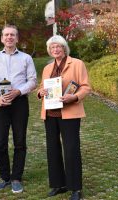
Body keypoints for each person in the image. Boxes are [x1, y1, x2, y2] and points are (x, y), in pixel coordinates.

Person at [37, 35, 91, 200]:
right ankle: (58, 184)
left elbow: (86, 87)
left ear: (64, 47)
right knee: (52, 149)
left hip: (70, 113)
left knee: (71, 150)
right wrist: (41, 92)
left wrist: (74, 98)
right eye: (52, 48)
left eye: (58, 47)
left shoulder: (77, 64)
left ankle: (75, 188)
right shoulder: (47, 68)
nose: (55, 50)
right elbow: (41, 88)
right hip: (50, 114)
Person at [0, 24, 37, 193]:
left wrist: (18, 91)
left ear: (17, 38)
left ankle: (16, 177)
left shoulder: (26, 58)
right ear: (2, 38)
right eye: (6, 35)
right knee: (0, 142)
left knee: (19, 141)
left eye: (12, 35)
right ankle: (4, 177)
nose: (9, 37)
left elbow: (32, 81)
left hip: (19, 103)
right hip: (0, 103)